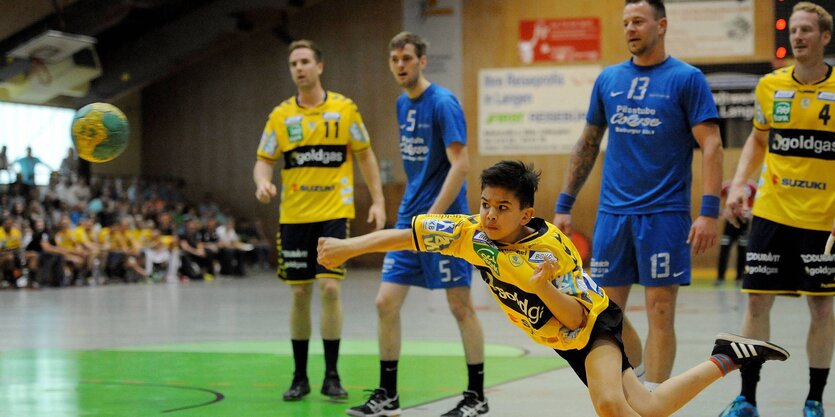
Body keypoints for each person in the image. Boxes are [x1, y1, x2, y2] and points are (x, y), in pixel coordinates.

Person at [319, 160, 790, 417]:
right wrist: (347, 246)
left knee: (610, 404)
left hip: (590, 323)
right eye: (485, 204)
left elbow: (574, 319)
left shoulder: (550, 252)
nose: (488, 215)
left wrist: (543, 287)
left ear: (525, 215)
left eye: (502, 208)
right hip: (562, 339)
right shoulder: (469, 234)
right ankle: (729, 355)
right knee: (648, 405)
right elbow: (407, 234)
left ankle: (728, 356)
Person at [552, 0, 723, 390]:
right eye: (626, 22)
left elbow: (711, 144)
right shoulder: (608, 79)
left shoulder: (687, 78)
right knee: (604, 312)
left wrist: (709, 211)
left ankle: (656, 400)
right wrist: (564, 204)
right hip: (613, 215)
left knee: (660, 310)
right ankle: (638, 378)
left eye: (639, 21)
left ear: (661, 25)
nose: (630, 28)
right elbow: (588, 142)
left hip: (665, 214)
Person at [344, 32, 487, 417]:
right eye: (394, 59)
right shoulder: (401, 104)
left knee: (460, 306)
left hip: (444, 222)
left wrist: (434, 217)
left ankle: (477, 396)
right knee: (385, 302)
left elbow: (461, 165)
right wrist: (415, 217)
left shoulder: (443, 103)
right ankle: (388, 393)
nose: (400, 65)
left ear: (422, 60)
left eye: (406, 58)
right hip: (410, 216)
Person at [252, 39, 386, 402]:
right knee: (299, 293)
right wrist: (263, 181)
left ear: (319, 66)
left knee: (329, 289)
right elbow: (264, 158)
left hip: (333, 213)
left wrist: (378, 200)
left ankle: (331, 375)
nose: (299, 67)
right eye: (293, 62)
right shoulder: (280, 116)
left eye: (305, 61)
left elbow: (366, 155)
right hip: (294, 217)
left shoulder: (345, 110)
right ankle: (299, 377)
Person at [720, 3, 835, 416]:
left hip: (823, 219)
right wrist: (737, 185)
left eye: (807, 30)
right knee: (756, 303)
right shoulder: (770, 86)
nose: (798, 37)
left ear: (824, 37)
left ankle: (814, 400)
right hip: (773, 209)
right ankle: (747, 397)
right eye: (794, 31)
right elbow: (757, 138)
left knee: (822, 307)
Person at [715, 180, 756, 287]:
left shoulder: (752, 186)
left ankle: (740, 277)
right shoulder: (728, 186)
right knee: (724, 249)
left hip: (744, 222)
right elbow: (715, 195)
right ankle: (720, 277)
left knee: (742, 250)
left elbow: (760, 200)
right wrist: (722, 211)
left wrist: (749, 212)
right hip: (730, 222)